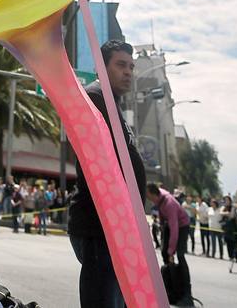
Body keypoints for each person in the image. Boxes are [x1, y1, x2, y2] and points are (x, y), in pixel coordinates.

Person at [67, 41, 146, 308]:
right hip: (101, 226)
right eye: (121, 65)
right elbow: (101, 162)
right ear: (101, 67)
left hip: (118, 226)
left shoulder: (112, 103)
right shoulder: (95, 97)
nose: (128, 72)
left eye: (131, 66)